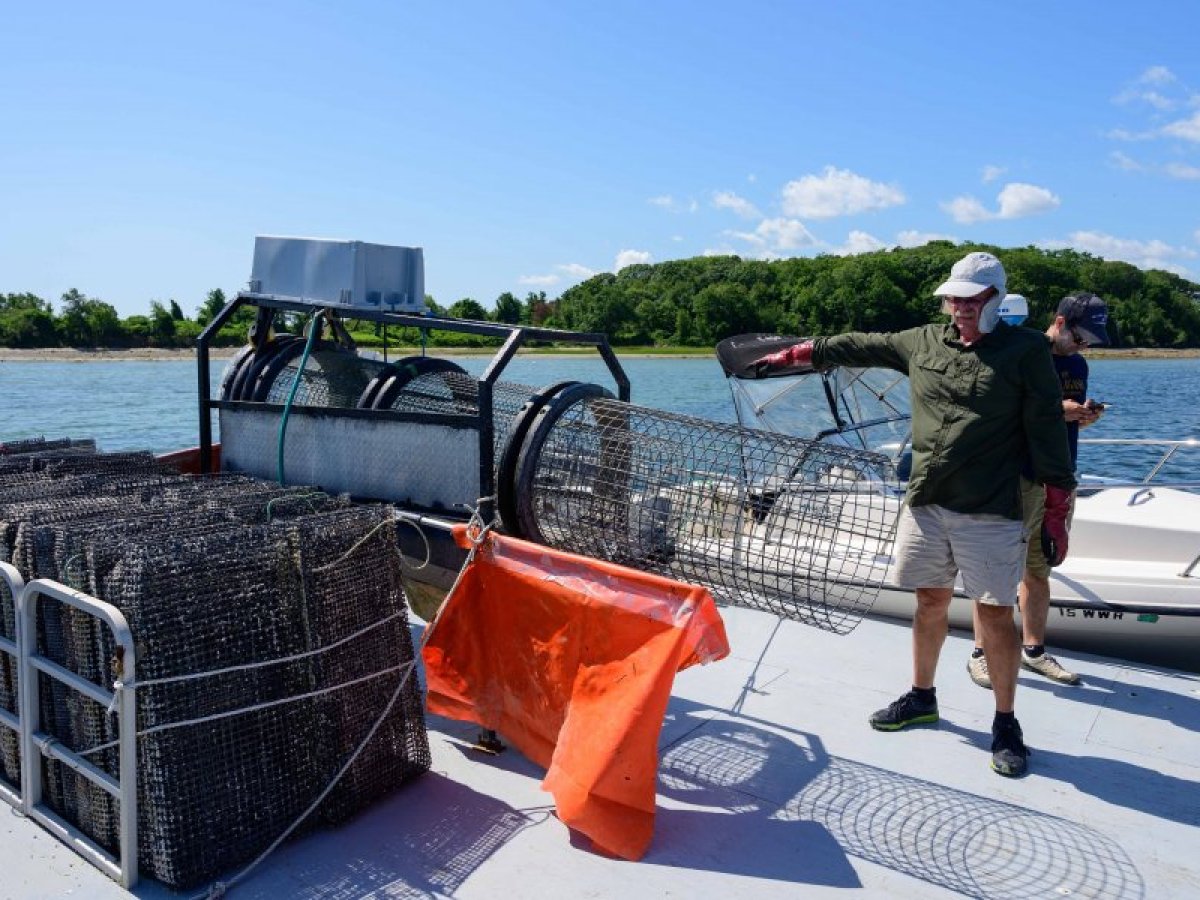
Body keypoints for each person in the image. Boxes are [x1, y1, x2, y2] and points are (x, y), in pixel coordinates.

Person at [753, 251, 1077, 778]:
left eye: (973, 300)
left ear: (995, 299)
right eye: (954, 298)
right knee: (929, 600)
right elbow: (862, 344)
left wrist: (1057, 504)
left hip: (993, 507)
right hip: (926, 501)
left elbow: (1045, 429)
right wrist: (798, 354)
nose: (961, 308)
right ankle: (922, 697)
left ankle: (1005, 722)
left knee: (994, 612)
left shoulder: (1025, 353)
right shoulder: (923, 341)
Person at [967, 292, 1110, 689]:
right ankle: (981, 653)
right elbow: (1002, 414)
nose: (1085, 347)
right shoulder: (1025, 353)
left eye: (1091, 341)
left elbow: (1065, 422)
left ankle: (1033, 650)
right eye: (1081, 337)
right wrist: (1056, 409)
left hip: (1059, 480)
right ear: (1060, 322)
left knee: (1039, 569)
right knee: (998, 572)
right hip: (1019, 476)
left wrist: (1083, 417)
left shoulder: (1077, 365)